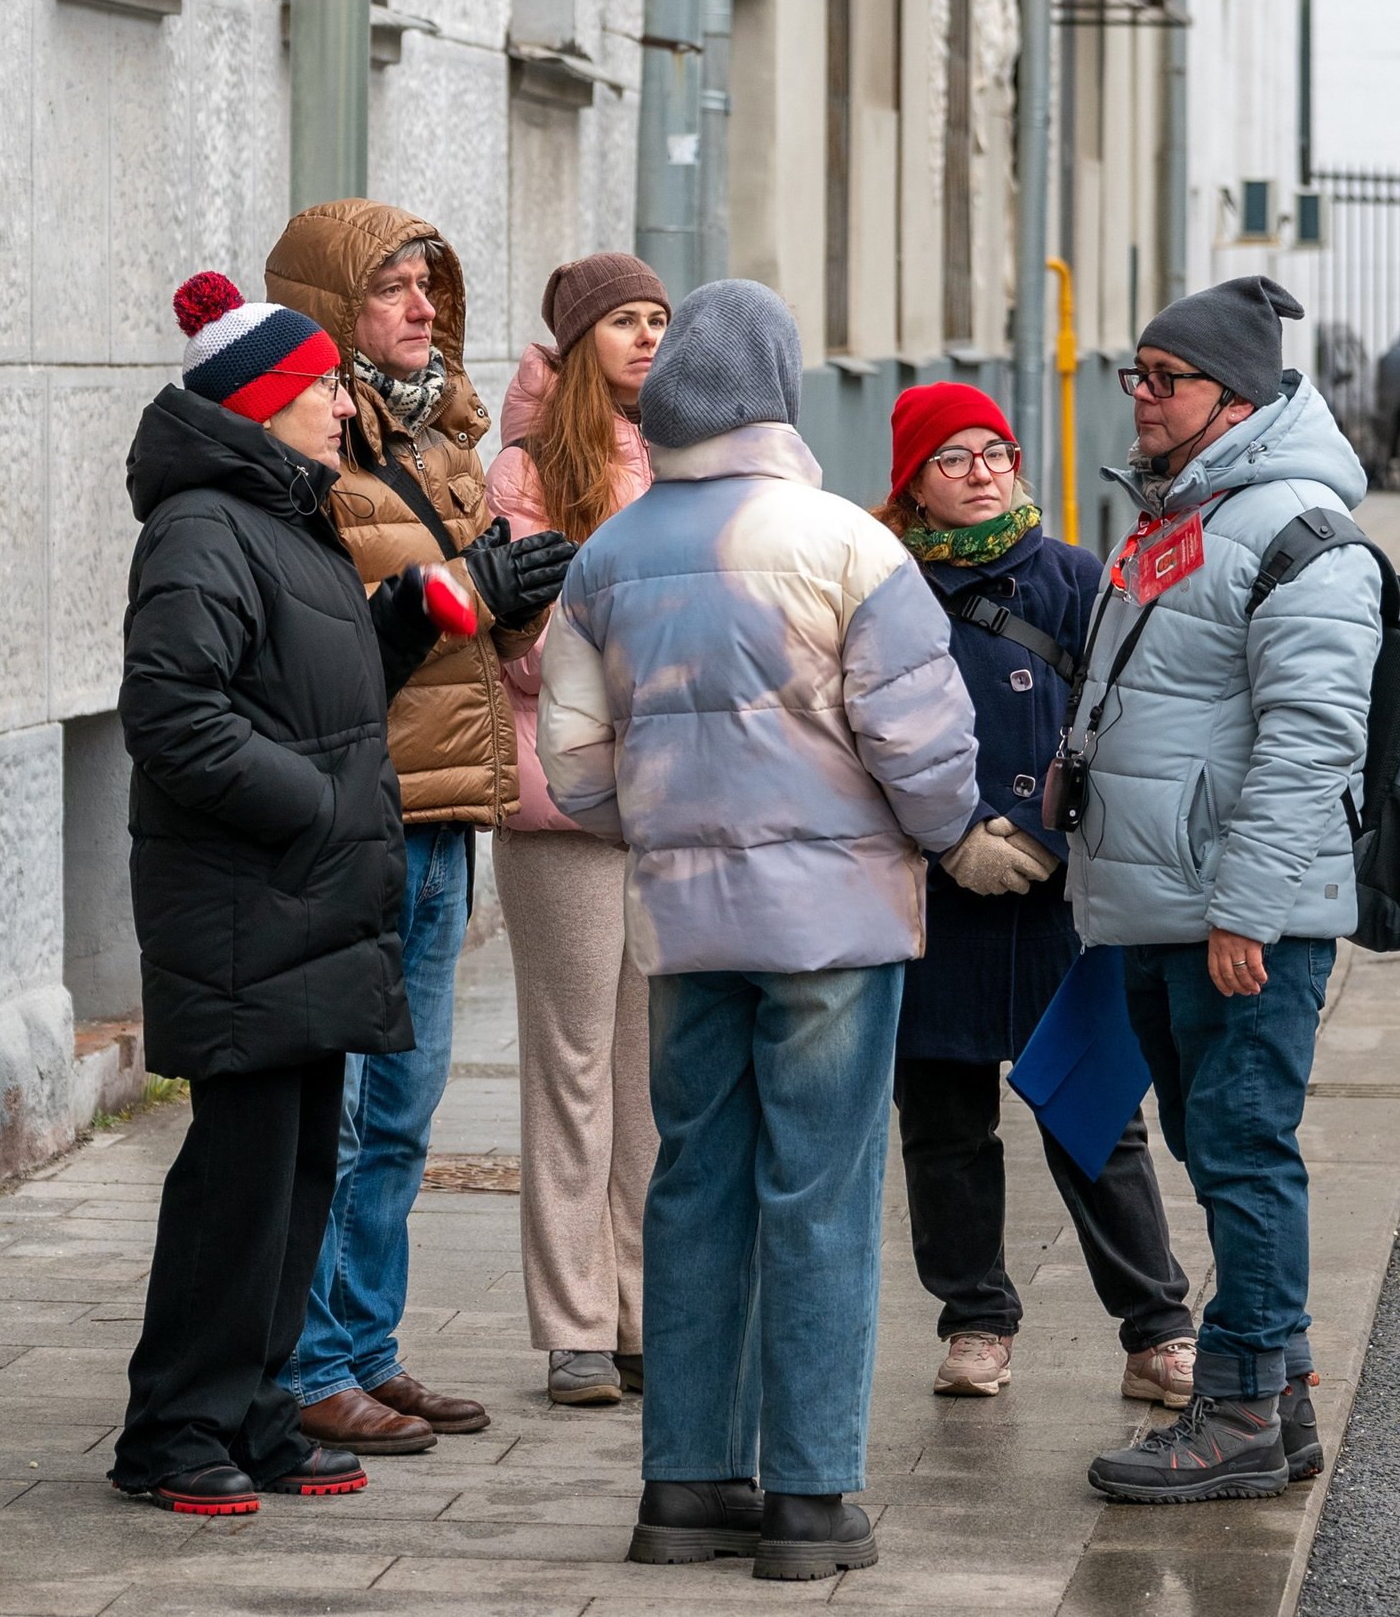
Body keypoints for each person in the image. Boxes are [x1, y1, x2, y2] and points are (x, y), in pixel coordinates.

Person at [539, 281, 980, 1581]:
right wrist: (940, 830)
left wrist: (673, 820)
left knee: (692, 1182)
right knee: (822, 1193)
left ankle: (684, 1483)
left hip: (682, 918)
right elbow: (925, 743)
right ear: (780, 386)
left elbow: (571, 772)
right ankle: (809, 1499)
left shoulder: (605, 557)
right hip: (834, 924)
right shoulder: (848, 543)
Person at [107, 274, 451, 1515]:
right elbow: (175, 715)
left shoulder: (283, 515)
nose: (337, 401)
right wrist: (314, 806)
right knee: (238, 1180)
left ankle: (253, 1411)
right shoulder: (203, 526)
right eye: (315, 385)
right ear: (257, 402)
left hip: (303, 904)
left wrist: (407, 617)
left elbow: (312, 681)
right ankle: (174, 1430)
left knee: (299, 1170)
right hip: (250, 901)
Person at [261, 202, 578, 1456]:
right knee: (342, 1111)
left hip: (447, 805)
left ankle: (366, 1346)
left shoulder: (445, 432)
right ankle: (312, 1360)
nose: (420, 306)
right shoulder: (303, 452)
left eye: (427, 284)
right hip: (360, 810)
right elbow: (323, 640)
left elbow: (465, 634)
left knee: (403, 1107)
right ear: (336, 307)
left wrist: (510, 596)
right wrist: (458, 594)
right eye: (391, 286)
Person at [1068, 277, 1379, 1505]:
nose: (1139, 398)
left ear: (1234, 398)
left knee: (1244, 1153)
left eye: (1165, 379)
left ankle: (1240, 1408)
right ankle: (1281, 1396)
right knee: (1214, 1145)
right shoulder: (1180, 512)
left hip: (1236, 915)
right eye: (1134, 375)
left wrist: (1247, 907)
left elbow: (1312, 733)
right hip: (1166, 904)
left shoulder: (1295, 527)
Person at [871, 383, 1200, 1408]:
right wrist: (954, 829)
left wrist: (1060, 833)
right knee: (941, 1121)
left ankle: (1156, 1329)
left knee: (1095, 1112)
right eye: (954, 457)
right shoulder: (884, 587)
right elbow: (863, 730)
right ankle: (974, 1318)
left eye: (996, 450)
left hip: (1058, 892)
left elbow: (1123, 714)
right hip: (936, 891)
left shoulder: (1069, 575)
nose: (982, 472)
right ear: (913, 482)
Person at [484, 254, 669, 1407]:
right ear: (578, 339)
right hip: (559, 806)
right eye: (624, 323)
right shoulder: (523, 469)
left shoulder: (678, 456)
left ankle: (649, 1312)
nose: (647, 338)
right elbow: (525, 646)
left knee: (652, 1077)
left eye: (659, 319)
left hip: (667, 803)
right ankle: (574, 1326)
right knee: (572, 1068)